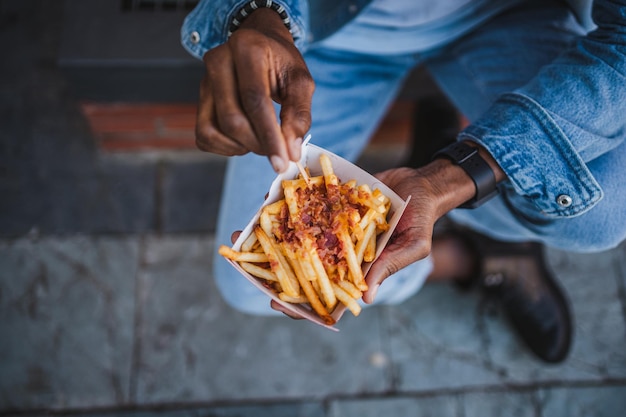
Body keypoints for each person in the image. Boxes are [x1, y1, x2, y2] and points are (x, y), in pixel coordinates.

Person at [180, 0, 626, 363]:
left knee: (603, 213)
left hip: (503, 17)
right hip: (325, 33)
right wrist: (257, 13)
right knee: (245, 285)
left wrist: (452, 175)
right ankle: (472, 256)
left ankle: (451, 170)